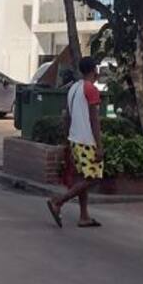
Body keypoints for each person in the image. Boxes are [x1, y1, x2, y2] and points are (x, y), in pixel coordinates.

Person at [47, 56, 104, 229]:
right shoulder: (91, 89)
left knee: (82, 178)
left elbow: (67, 116)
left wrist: (66, 138)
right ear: (94, 70)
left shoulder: (74, 88)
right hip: (86, 140)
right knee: (93, 178)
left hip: (74, 138)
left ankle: (84, 216)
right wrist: (99, 145)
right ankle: (59, 201)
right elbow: (94, 119)